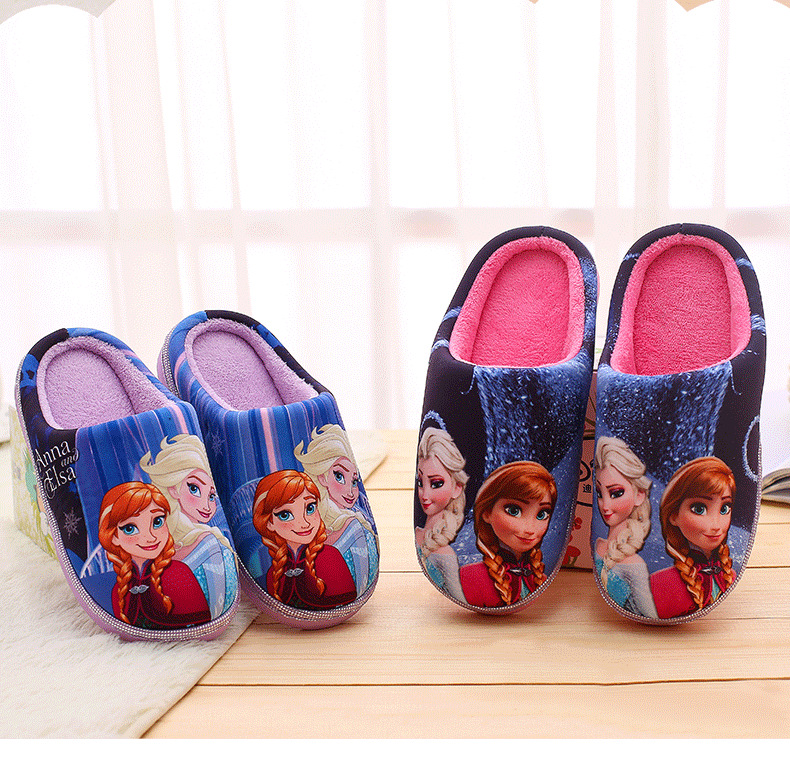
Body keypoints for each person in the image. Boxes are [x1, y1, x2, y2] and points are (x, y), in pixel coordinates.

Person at [141, 435, 237, 617]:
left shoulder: (209, 542)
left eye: (211, 496)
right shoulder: (205, 541)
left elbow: (216, 603)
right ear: (173, 488)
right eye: (194, 488)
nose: (207, 506)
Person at [98, 481, 211, 629]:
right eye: (130, 528)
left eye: (157, 522)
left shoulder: (178, 573)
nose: (150, 537)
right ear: (114, 537)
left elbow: (201, 622)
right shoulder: (119, 591)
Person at [252, 469, 356, 610]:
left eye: (310, 508)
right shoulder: (274, 573)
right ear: (269, 522)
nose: (305, 523)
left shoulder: (330, 557)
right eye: (285, 514)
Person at [650, 456, 737, 619]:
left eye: (724, 508)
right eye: (699, 509)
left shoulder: (730, 575)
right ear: (674, 515)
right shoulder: (662, 583)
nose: (716, 525)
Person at [459, 461, 556, 608]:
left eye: (542, 514)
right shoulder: (471, 576)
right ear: (487, 512)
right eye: (514, 511)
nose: (530, 529)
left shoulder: (540, 578)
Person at [294, 424, 377, 595]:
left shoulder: (355, 527)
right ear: (322, 477)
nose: (350, 492)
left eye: (354, 481)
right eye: (339, 476)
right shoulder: (308, 520)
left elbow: (359, 581)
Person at [594, 437, 658, 618]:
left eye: (616, 493)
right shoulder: (598, 544)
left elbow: (649, 613)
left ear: (639, 495)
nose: (605, 506)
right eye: (599, 493)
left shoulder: (634, 565)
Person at [414, 427, 469, 601]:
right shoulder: (418, 533)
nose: (425, 495)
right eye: (420, 482)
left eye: (436, 483)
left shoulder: (446, 555)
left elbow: (459, 596)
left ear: (456, 488)